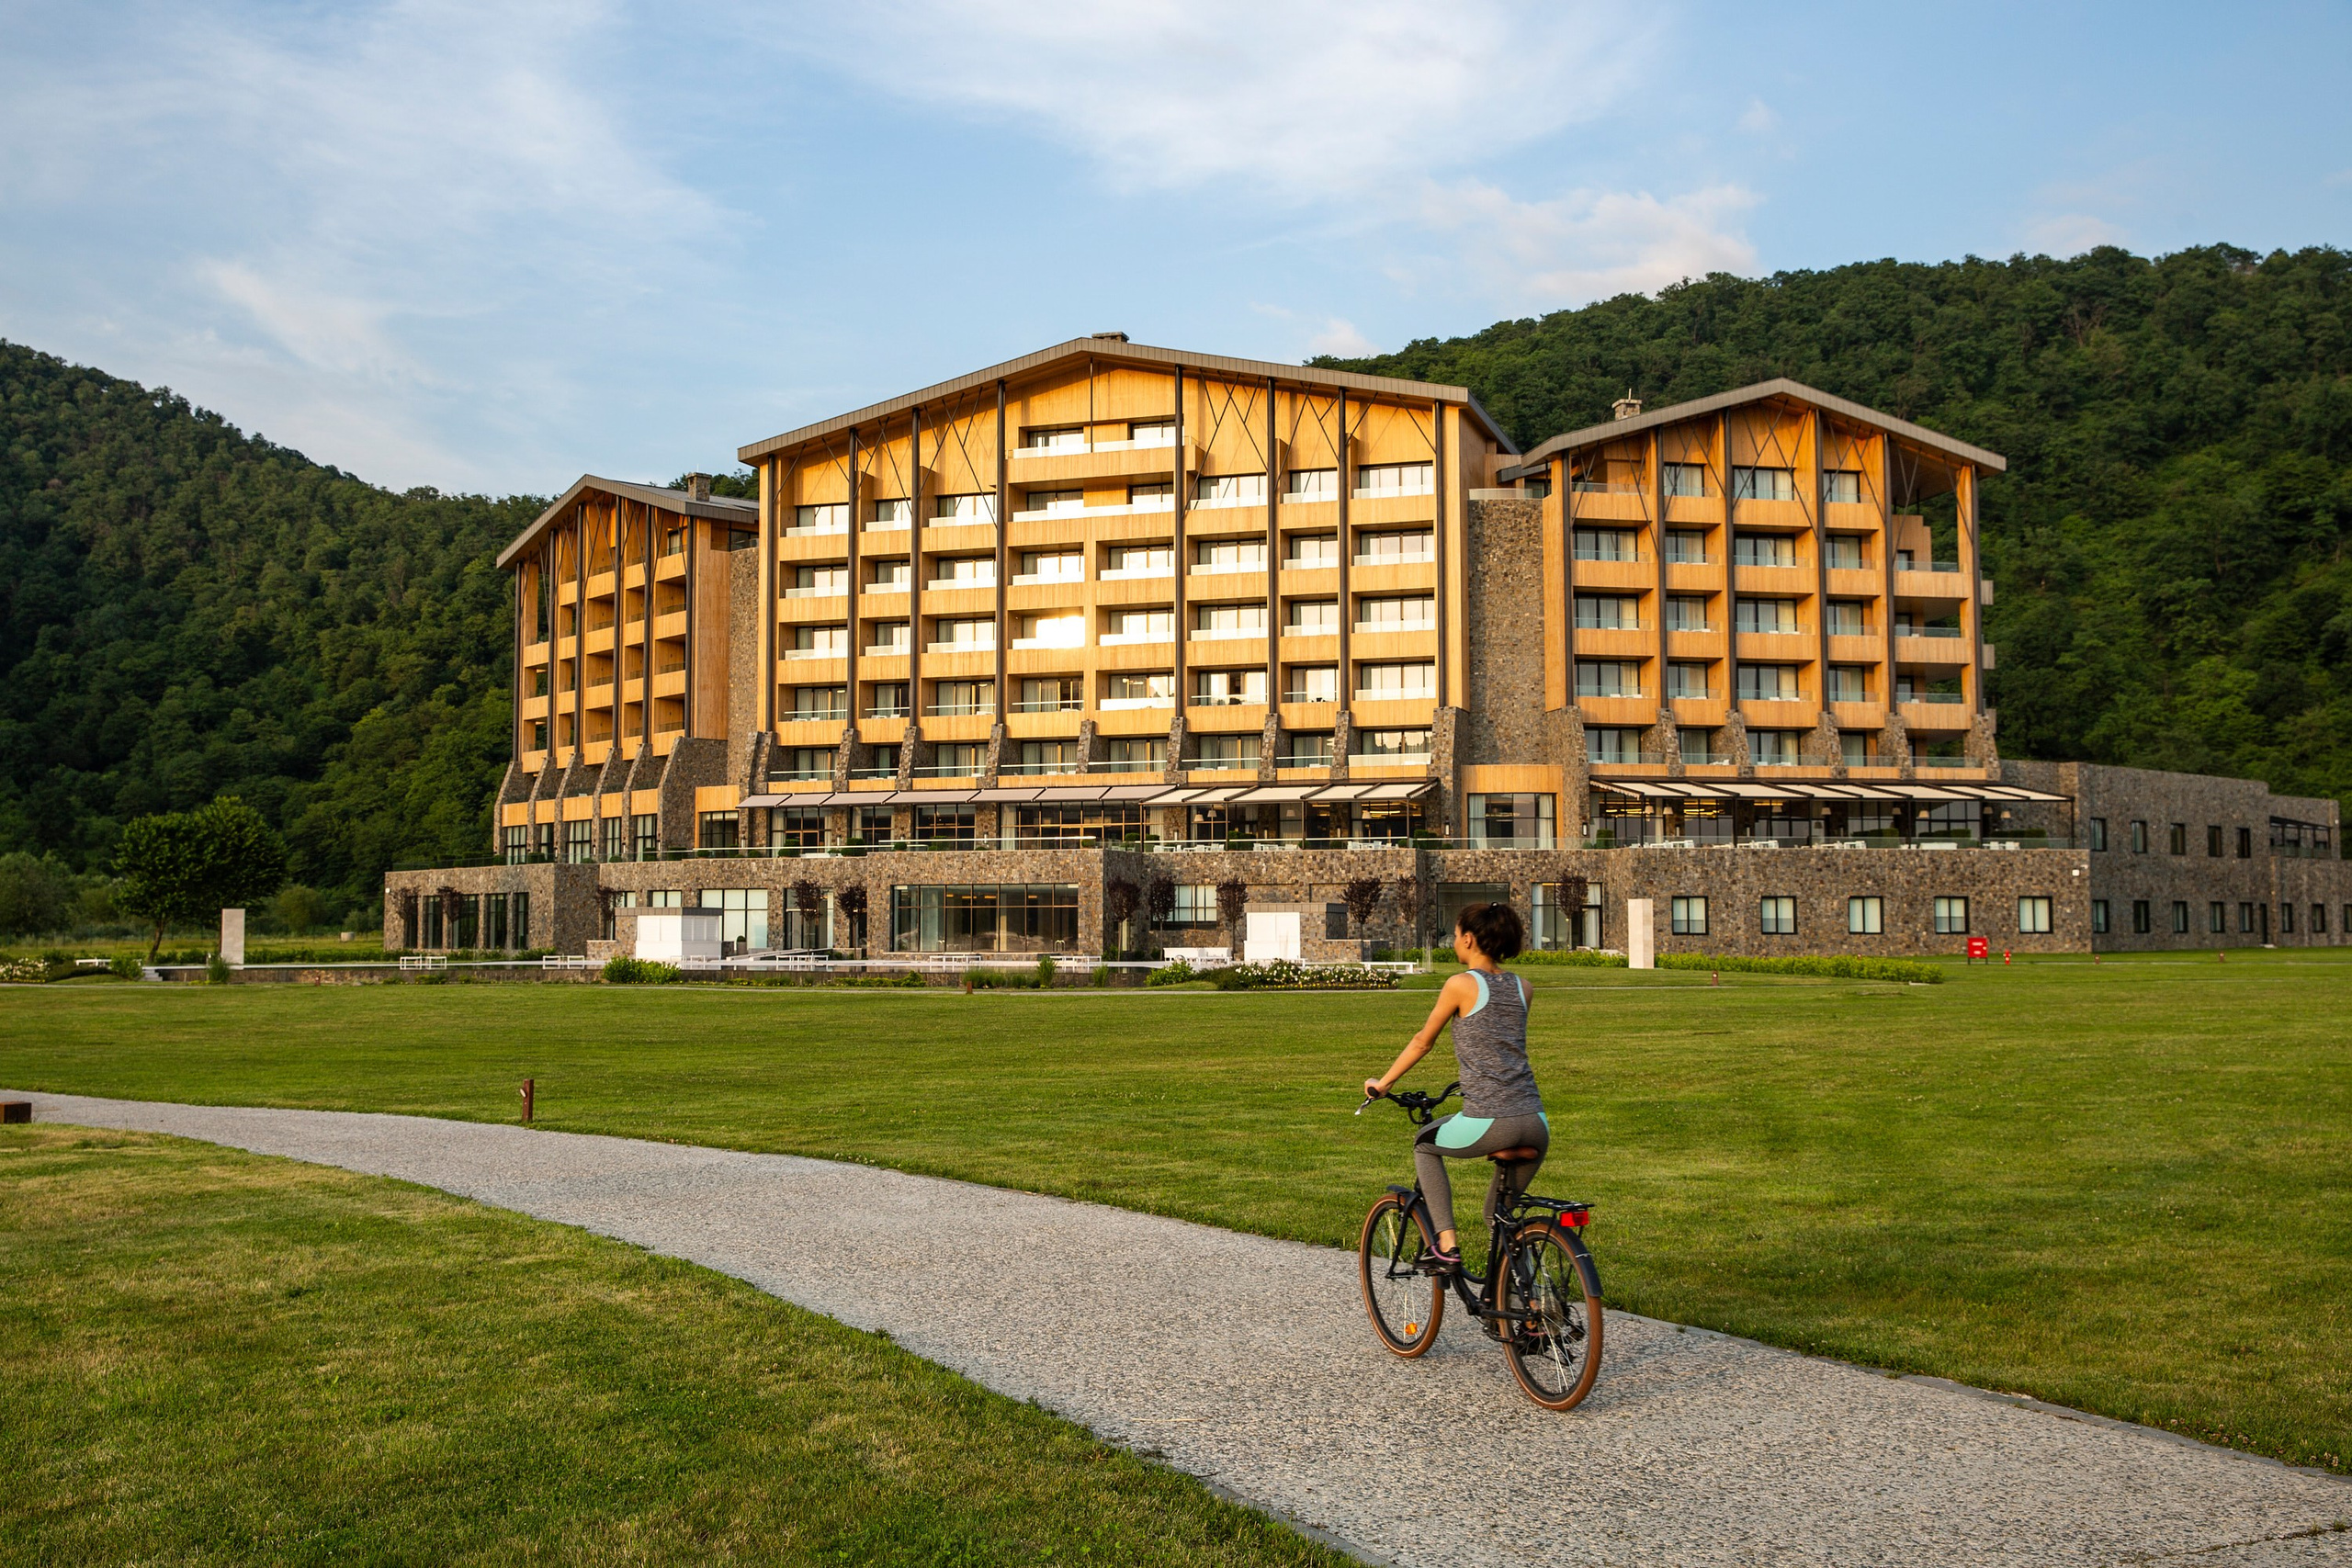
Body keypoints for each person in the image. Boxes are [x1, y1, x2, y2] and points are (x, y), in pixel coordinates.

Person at [1362, 902, 1544, 1271]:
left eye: (1456, 935)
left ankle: (1445, 1244)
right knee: (1499, 1217)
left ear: (1469, 938)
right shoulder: (1523, 987)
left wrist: (1383, 1084)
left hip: (1491, 1119)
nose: (1454, 942)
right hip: (1536, 1120)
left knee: (1425, 1146)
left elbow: (1422, 1042)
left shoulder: (1460, 985)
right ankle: (1527, 1309)